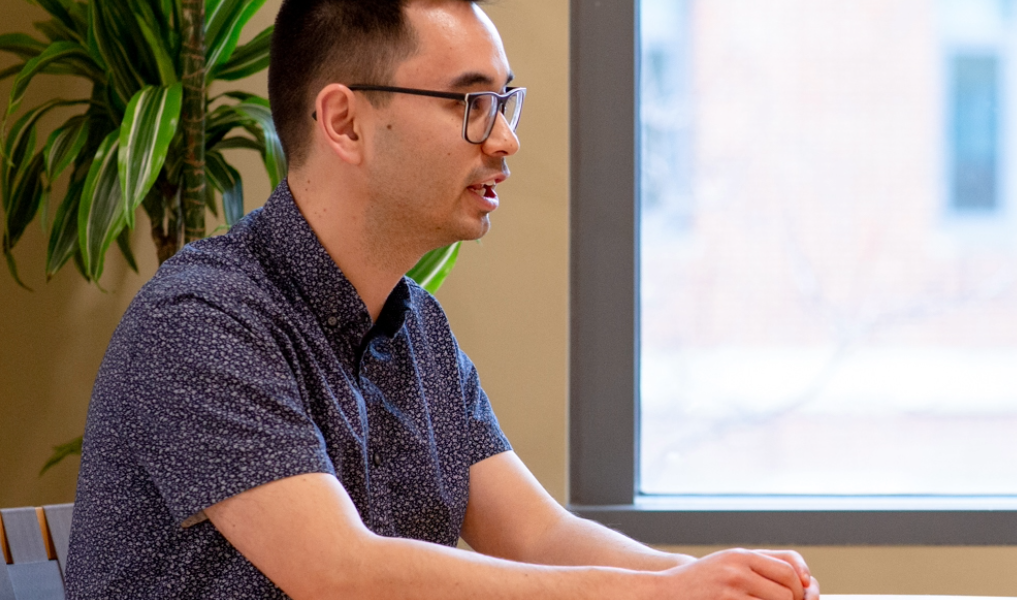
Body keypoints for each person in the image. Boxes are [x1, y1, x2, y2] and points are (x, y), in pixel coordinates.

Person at [66, 1, 819, 598]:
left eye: (504, 102)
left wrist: (711, 581)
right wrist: (655, 597)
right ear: (344, 121)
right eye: (470, 104)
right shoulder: (201, 321)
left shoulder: (415, 326)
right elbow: (339, 575)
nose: (504, 141)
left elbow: (539, 539)